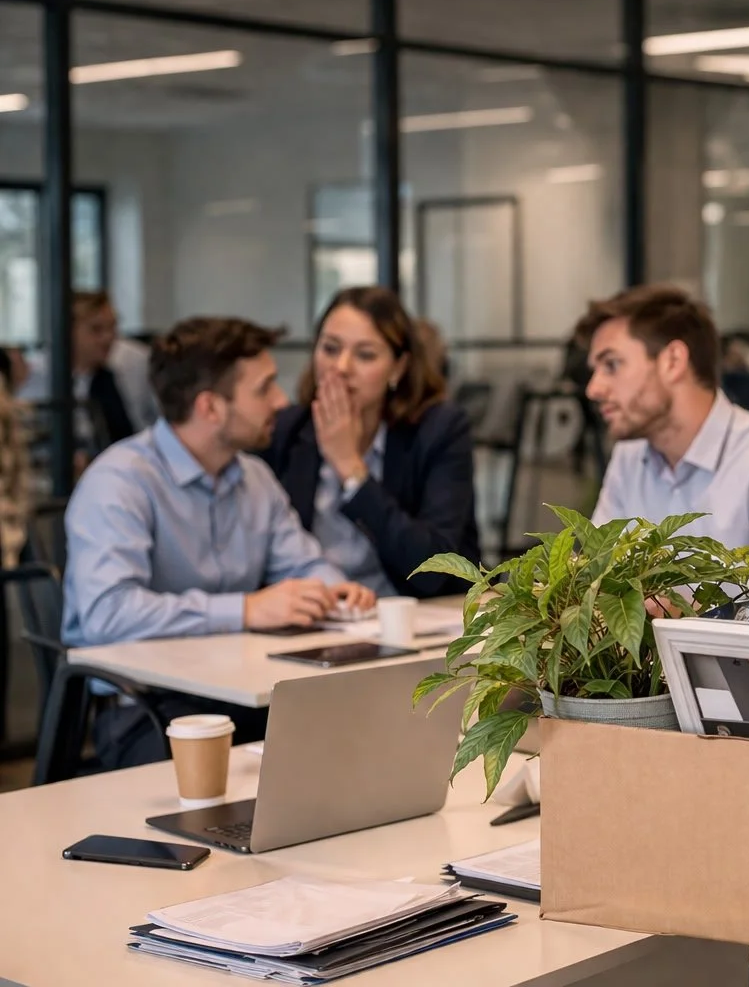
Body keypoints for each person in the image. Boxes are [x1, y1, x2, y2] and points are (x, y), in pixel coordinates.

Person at [63, 317, 377, 767]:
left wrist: (333, 587)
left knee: (351, 754)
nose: (282, 401)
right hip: (151, 712)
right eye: (265, 388)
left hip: (248, 696)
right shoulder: (119, 483)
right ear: (210, 407)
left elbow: (301, 562)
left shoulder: (254, 477)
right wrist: (247, 609)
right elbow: (107, 613)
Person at [261, 287, 480, 598]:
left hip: (418, 617)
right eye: (330, 348)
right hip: (318, 617)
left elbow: (434, 570)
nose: (341, 367)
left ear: (398, 367)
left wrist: (351, 469)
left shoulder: (439, 429)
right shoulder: (285, 430)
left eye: (365, 355)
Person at [581, 285, 749, 553]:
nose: (593, 389)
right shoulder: (629, 456)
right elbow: (596, 574)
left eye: (612, 365)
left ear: (673, 361)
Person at [21, 291, 156, 468]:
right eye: (96, 330)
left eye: (113, 327)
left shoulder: (136, 362)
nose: (109, 338)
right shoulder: (37, 379)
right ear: (67, 332)